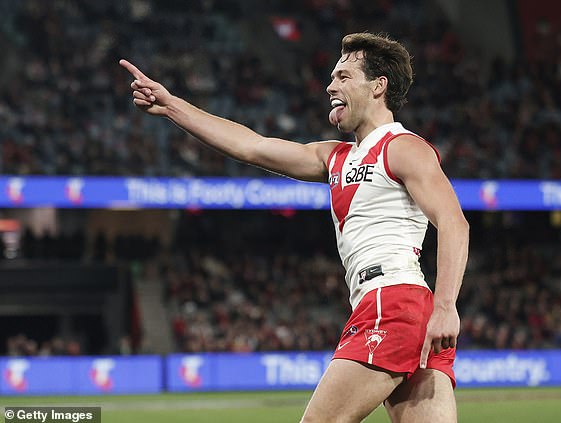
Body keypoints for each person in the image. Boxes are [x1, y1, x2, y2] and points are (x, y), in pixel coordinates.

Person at [120, 32, 469, 423]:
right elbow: (252, 146)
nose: (329, 86)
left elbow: (454, 223)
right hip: (403, 309)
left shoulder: (403, 147)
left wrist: (445, 307)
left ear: (378, 86)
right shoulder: (335, 158)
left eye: (343, 76)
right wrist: (173, 107)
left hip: (393, 303)